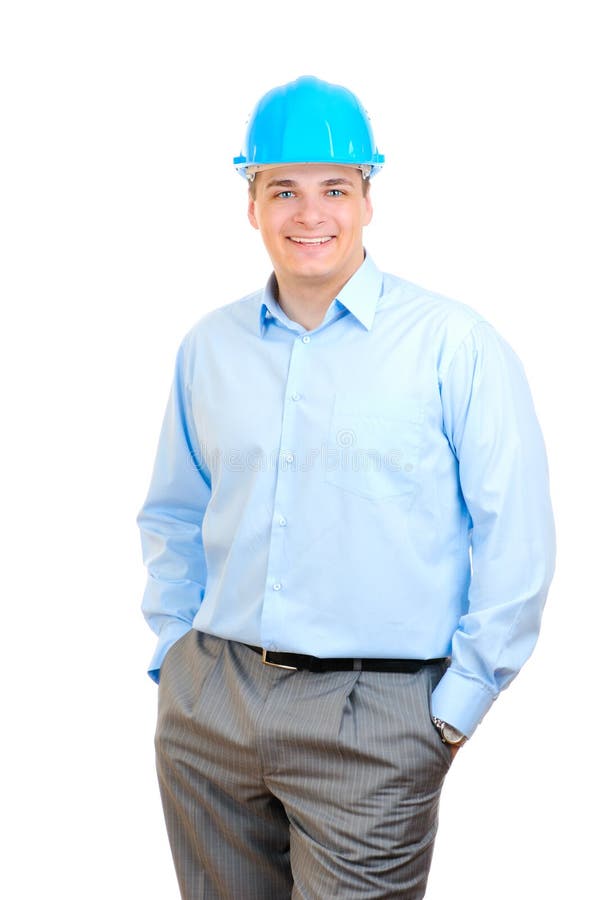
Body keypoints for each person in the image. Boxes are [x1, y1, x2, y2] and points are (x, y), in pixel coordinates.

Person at [137, 75, 556, 899]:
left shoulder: (452, 345)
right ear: (250, 204)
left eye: (335, 188)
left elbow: (517, 536)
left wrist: (454, 708)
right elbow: (175, 512)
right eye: (281, 189)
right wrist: (174, 653)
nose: (309, 213)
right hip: (213, 701)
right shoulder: (209, 347)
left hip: (378, 714)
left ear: (369, 198)